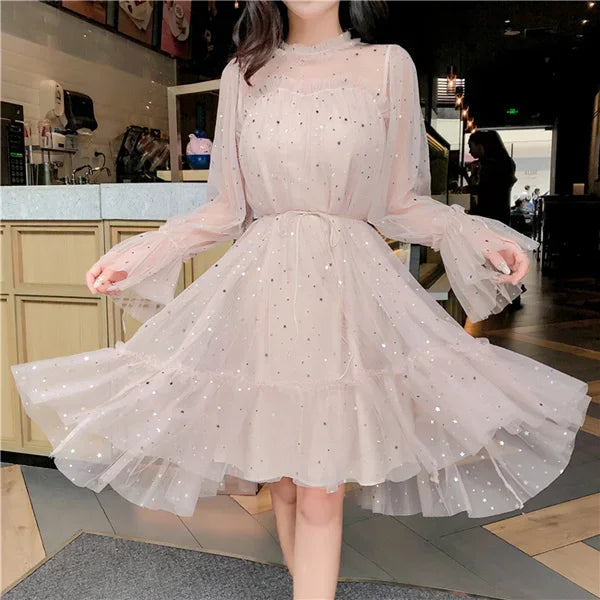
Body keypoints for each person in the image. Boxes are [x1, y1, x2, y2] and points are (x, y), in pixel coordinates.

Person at [9, 3, 592, 599]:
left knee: (320, 484)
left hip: (345, 289)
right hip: (263, 289)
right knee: (285, 480)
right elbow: (227, 208)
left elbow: (400, 203)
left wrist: (475, 235)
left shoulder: (387, 64)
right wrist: (147, 252)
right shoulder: (243, 73)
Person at [467, 130, 517, 225]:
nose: (470, 151)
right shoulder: (507, 162)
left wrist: (473, 174)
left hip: (488, 217)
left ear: (480, 146)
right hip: (501, 217)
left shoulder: (489, 166)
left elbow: (480, 190)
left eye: (471, 147)